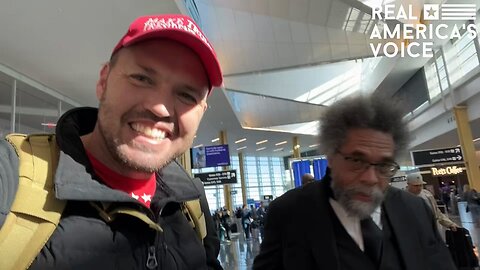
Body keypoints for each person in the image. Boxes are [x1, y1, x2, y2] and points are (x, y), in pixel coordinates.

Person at [0, 14, 223, 269]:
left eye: (187, 95)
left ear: (202, 112)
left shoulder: (190, 203)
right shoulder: (13, 178)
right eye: (142, 78)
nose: (160, 108)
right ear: (103, 81)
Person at [253, 94, 456, 270]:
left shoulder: (415, 210)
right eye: (357, 161)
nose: (370, 178)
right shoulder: (289, 213)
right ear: (331, 156)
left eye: (384, 165)